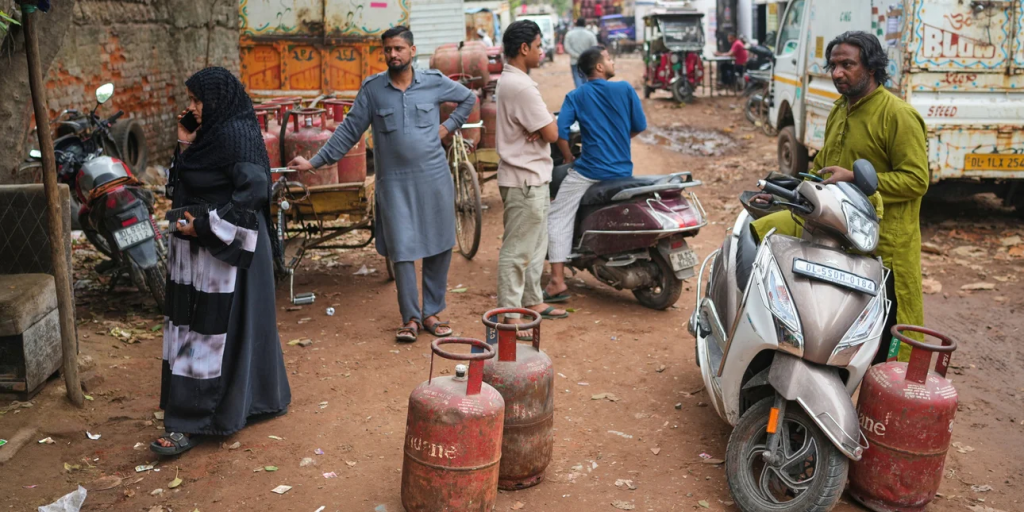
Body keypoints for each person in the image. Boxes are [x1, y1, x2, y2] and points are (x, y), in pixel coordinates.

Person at [287, 26, 475, 343]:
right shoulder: (373, 89)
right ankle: (411, 318)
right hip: (394, 184)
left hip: (434, 178)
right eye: (387, 49)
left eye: (399, 48)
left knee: (439, 246)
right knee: (402, 249)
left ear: (412, 51)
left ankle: (431, 313)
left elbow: (468, 98)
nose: (393, 55)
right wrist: (315, 161)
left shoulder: (432, 81)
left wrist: (446, 129)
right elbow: (349, 131)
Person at [750, 31, 928, 362]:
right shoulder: (839, 110)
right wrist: (782, 194)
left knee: (884, 338)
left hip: (882, 242)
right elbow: (820, 171)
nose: (837, 73)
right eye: (833, 65)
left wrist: (854, 180)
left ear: (871, 68)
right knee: (759, 231)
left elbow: (917, 180)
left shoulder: (897, 115)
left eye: (847, 65)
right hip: (832, 228)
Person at [153, 67, 291, 456]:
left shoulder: (234, 135)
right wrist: (185, 143)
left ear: (217, 101)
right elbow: (179, 183)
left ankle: (192, 421)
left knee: (209, 331)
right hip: (206, 247)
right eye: (192, 100)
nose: (192, 107)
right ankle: (255, 401)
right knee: (228, 328)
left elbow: (255, 190)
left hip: (226, 248)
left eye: (197, 100)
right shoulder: (209, 136)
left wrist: (207, 226)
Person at [544, 46, 647, 302]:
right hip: (623, 171)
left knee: (557, 215)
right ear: (599, 66)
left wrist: (568, 157)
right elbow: (640, 126)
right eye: (610, 59)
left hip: (589, 171)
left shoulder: (576, 96)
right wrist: (619, 138)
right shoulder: (625, 89)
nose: (613, 62)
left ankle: (557, 281)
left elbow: (560, 132)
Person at [495, 20, 568, 329]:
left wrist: (541, 129)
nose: (542, 51)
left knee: (536, 244)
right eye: (539, 46)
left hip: (530, 177)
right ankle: (509, 316)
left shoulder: (513, 81)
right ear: (524, 48)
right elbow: (552, 132)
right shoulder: (521, 86)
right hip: (524, 178)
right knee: (518, 250)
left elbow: (545, 130)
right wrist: (544, 128)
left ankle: (532, 300)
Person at [564, 18, 598, 88]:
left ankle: (581, 96)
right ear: (585, 24)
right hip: (588, 62)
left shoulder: (569, 34)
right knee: (587, 80)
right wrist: (586, 56)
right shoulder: (590, 34)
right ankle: (587, 96)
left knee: (577, 80)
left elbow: (567, 47)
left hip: (575, 61)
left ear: (576, 24)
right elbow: (594, 47)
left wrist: (576, 55)